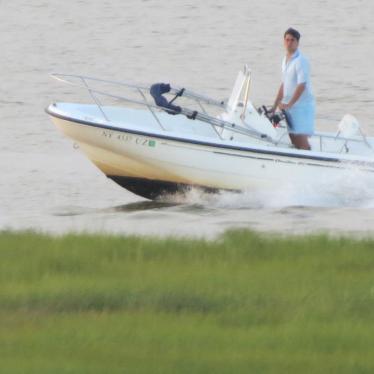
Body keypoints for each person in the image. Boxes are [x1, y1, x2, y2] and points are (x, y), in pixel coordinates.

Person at [272, 27, 315, 150]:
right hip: (289, 106)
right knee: (293, 139)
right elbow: (284, 84)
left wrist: (289, 104)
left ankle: (309, 163)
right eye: (287, 40)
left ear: (297, 42)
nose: (289, 43)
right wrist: (274, 106)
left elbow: (302, 85)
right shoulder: (285, 60)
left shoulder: (301, 61)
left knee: (301, 142)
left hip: (301, 107)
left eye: (292, 40)